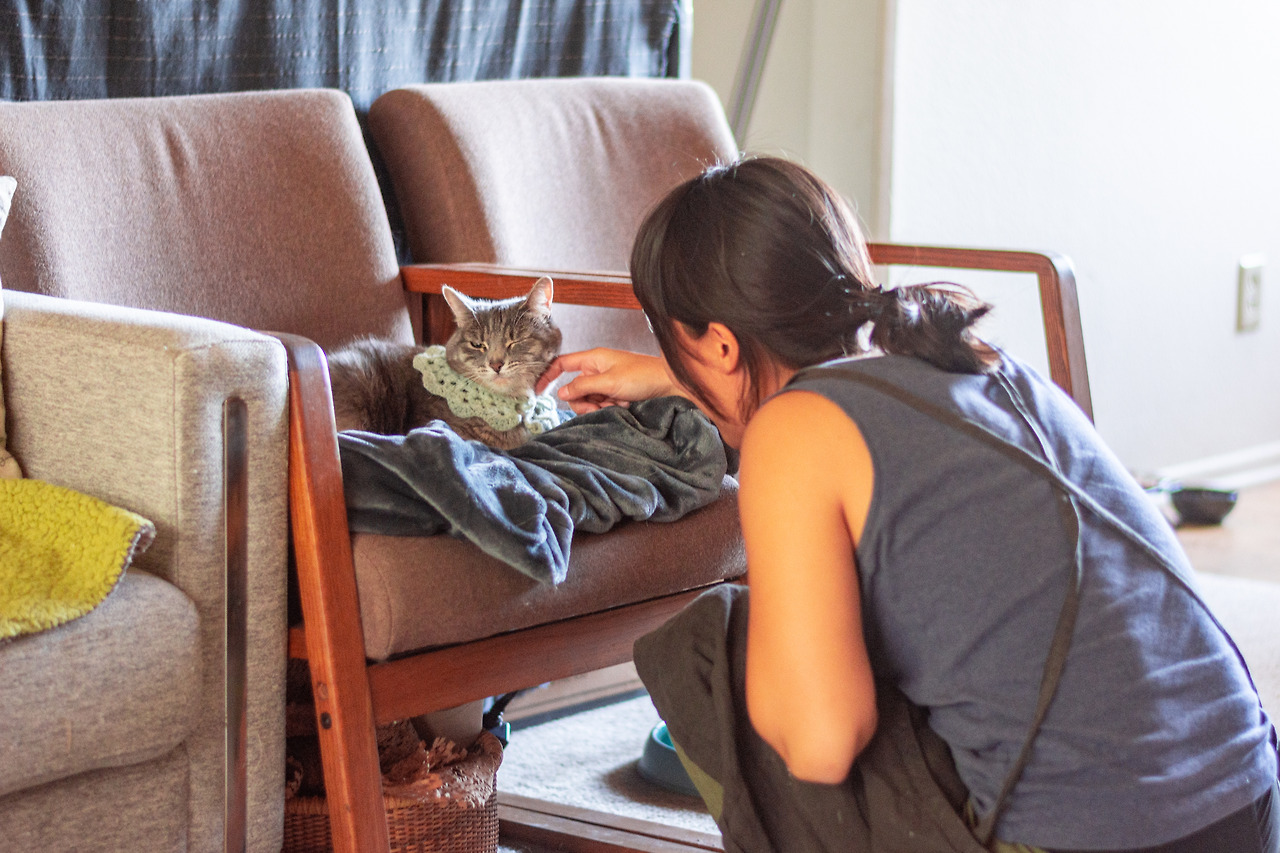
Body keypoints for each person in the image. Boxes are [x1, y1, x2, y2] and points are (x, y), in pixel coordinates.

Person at [536, 157, 1279, 852]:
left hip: (1093, 837)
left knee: (713, 647)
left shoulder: (789, 433)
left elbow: (821, 745)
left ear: (722, 346)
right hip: (1245, 801)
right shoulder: (977, 360)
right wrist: (680, 378)